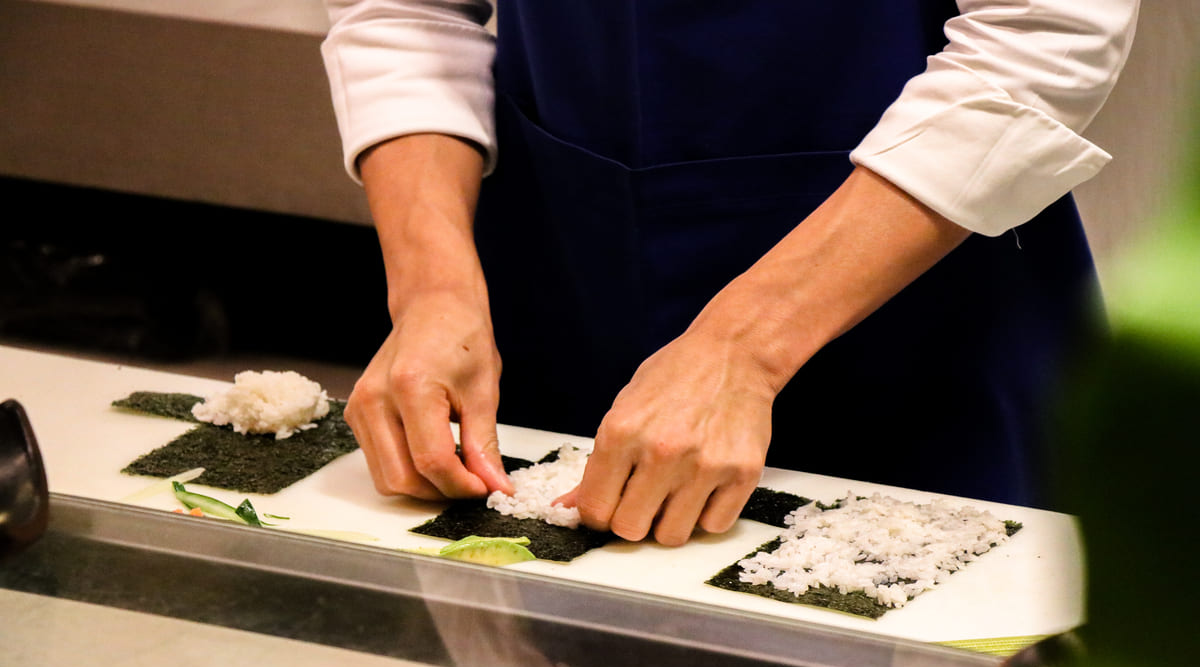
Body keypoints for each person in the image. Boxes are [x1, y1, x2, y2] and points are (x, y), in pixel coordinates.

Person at [320, 1, 1140, 545]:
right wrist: (433, 291)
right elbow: (403, 8)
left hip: (919, 301)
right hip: (564, 262)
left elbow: (1043, 39)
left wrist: (742, 350)